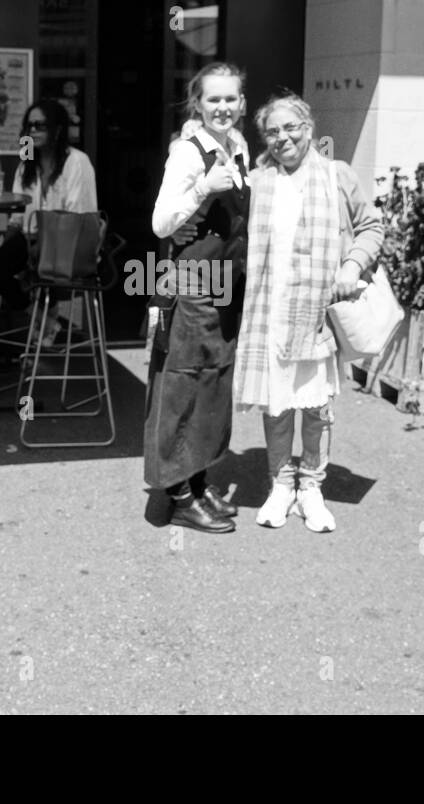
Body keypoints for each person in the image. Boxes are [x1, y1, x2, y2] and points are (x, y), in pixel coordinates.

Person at [234, 92, 383, 533]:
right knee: (278, 406)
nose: (283, 138)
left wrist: (353, 263)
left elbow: (372, 226)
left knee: (317, 409)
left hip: (317, 314)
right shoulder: (259, 181)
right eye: (273, 131)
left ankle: (312, 488)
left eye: (291, 127)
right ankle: (281, 486)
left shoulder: (336, 176)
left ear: (309, 127)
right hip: (272, 312)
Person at [144, 61, 251, 534]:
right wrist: (203, 191)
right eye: (214, 99)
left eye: (231, 99)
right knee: (183, 388)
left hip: (226, 288)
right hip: (190, 287)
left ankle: (200, 479)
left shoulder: (239, 148)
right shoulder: (187, 154)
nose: (222, 107)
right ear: (198, 103)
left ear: (241, 103)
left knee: (214, 387)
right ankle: (179, 493)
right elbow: (162, 223)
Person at [0, 99, 97, 340]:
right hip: (33, 240)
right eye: (29, 126)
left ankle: (47, 320)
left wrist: (37, 237)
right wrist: (11, 235)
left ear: (57, 129)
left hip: (68, 242)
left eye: (40, 125)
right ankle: (43, 318)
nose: (33, 131)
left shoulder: (76, 161)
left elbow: (77, 214)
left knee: (37, 273)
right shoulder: (25, 164)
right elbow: (17, 213)